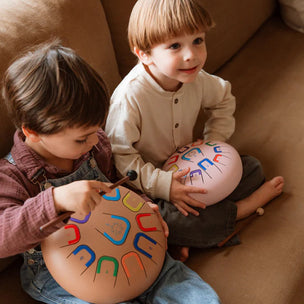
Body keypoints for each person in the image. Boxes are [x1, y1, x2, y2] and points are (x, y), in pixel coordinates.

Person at [0, 41, 221, 304]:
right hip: (64, 276)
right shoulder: (11, 175)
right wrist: (56, 200)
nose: (95, 141)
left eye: (97, 129)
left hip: (127, 244)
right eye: (82, 139)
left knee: (195, 296)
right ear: (32, 132)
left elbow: (120, 186)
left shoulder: (96, 145)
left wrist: (146, 210)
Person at [105, 0, 284, 261]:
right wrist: (165, 186)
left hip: (193, 169)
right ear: (144, 54)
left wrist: (214, 143)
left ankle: (192, 236)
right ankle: (240, 211)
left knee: (252, 168)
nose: (191, 55)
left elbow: (223, 99)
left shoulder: (196, 78)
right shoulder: (129, 98)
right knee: (161, 219)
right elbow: (121, 157)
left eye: (198, 40)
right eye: (175, 46)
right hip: (150, 185)